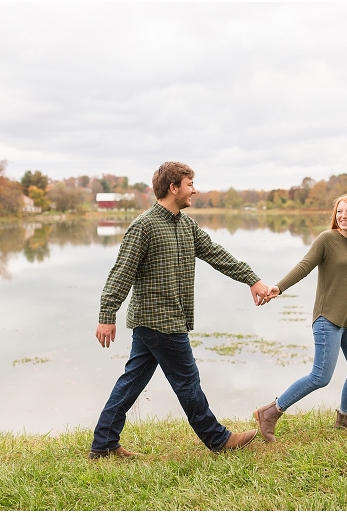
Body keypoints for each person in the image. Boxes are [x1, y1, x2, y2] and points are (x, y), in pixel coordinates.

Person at [89, 161, 271, 459]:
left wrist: (252, 279)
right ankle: (217, 439)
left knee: (132, 381)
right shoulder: (144, 226)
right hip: (159, 321)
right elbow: (121, 273)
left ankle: (104, 443)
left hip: (167, 320)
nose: (194, 190)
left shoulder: (186, 225)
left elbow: (216, 254)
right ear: (173, 188)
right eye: (189, 184)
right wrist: (106, 316)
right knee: (187, 381)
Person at [254, 194, 347, 441]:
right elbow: (304, 265)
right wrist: (279, 287)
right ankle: (270, 412)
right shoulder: (327, 240)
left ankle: (344, 418)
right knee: (320, 376)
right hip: (328, 318)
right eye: (340, 211)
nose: (343, 216)